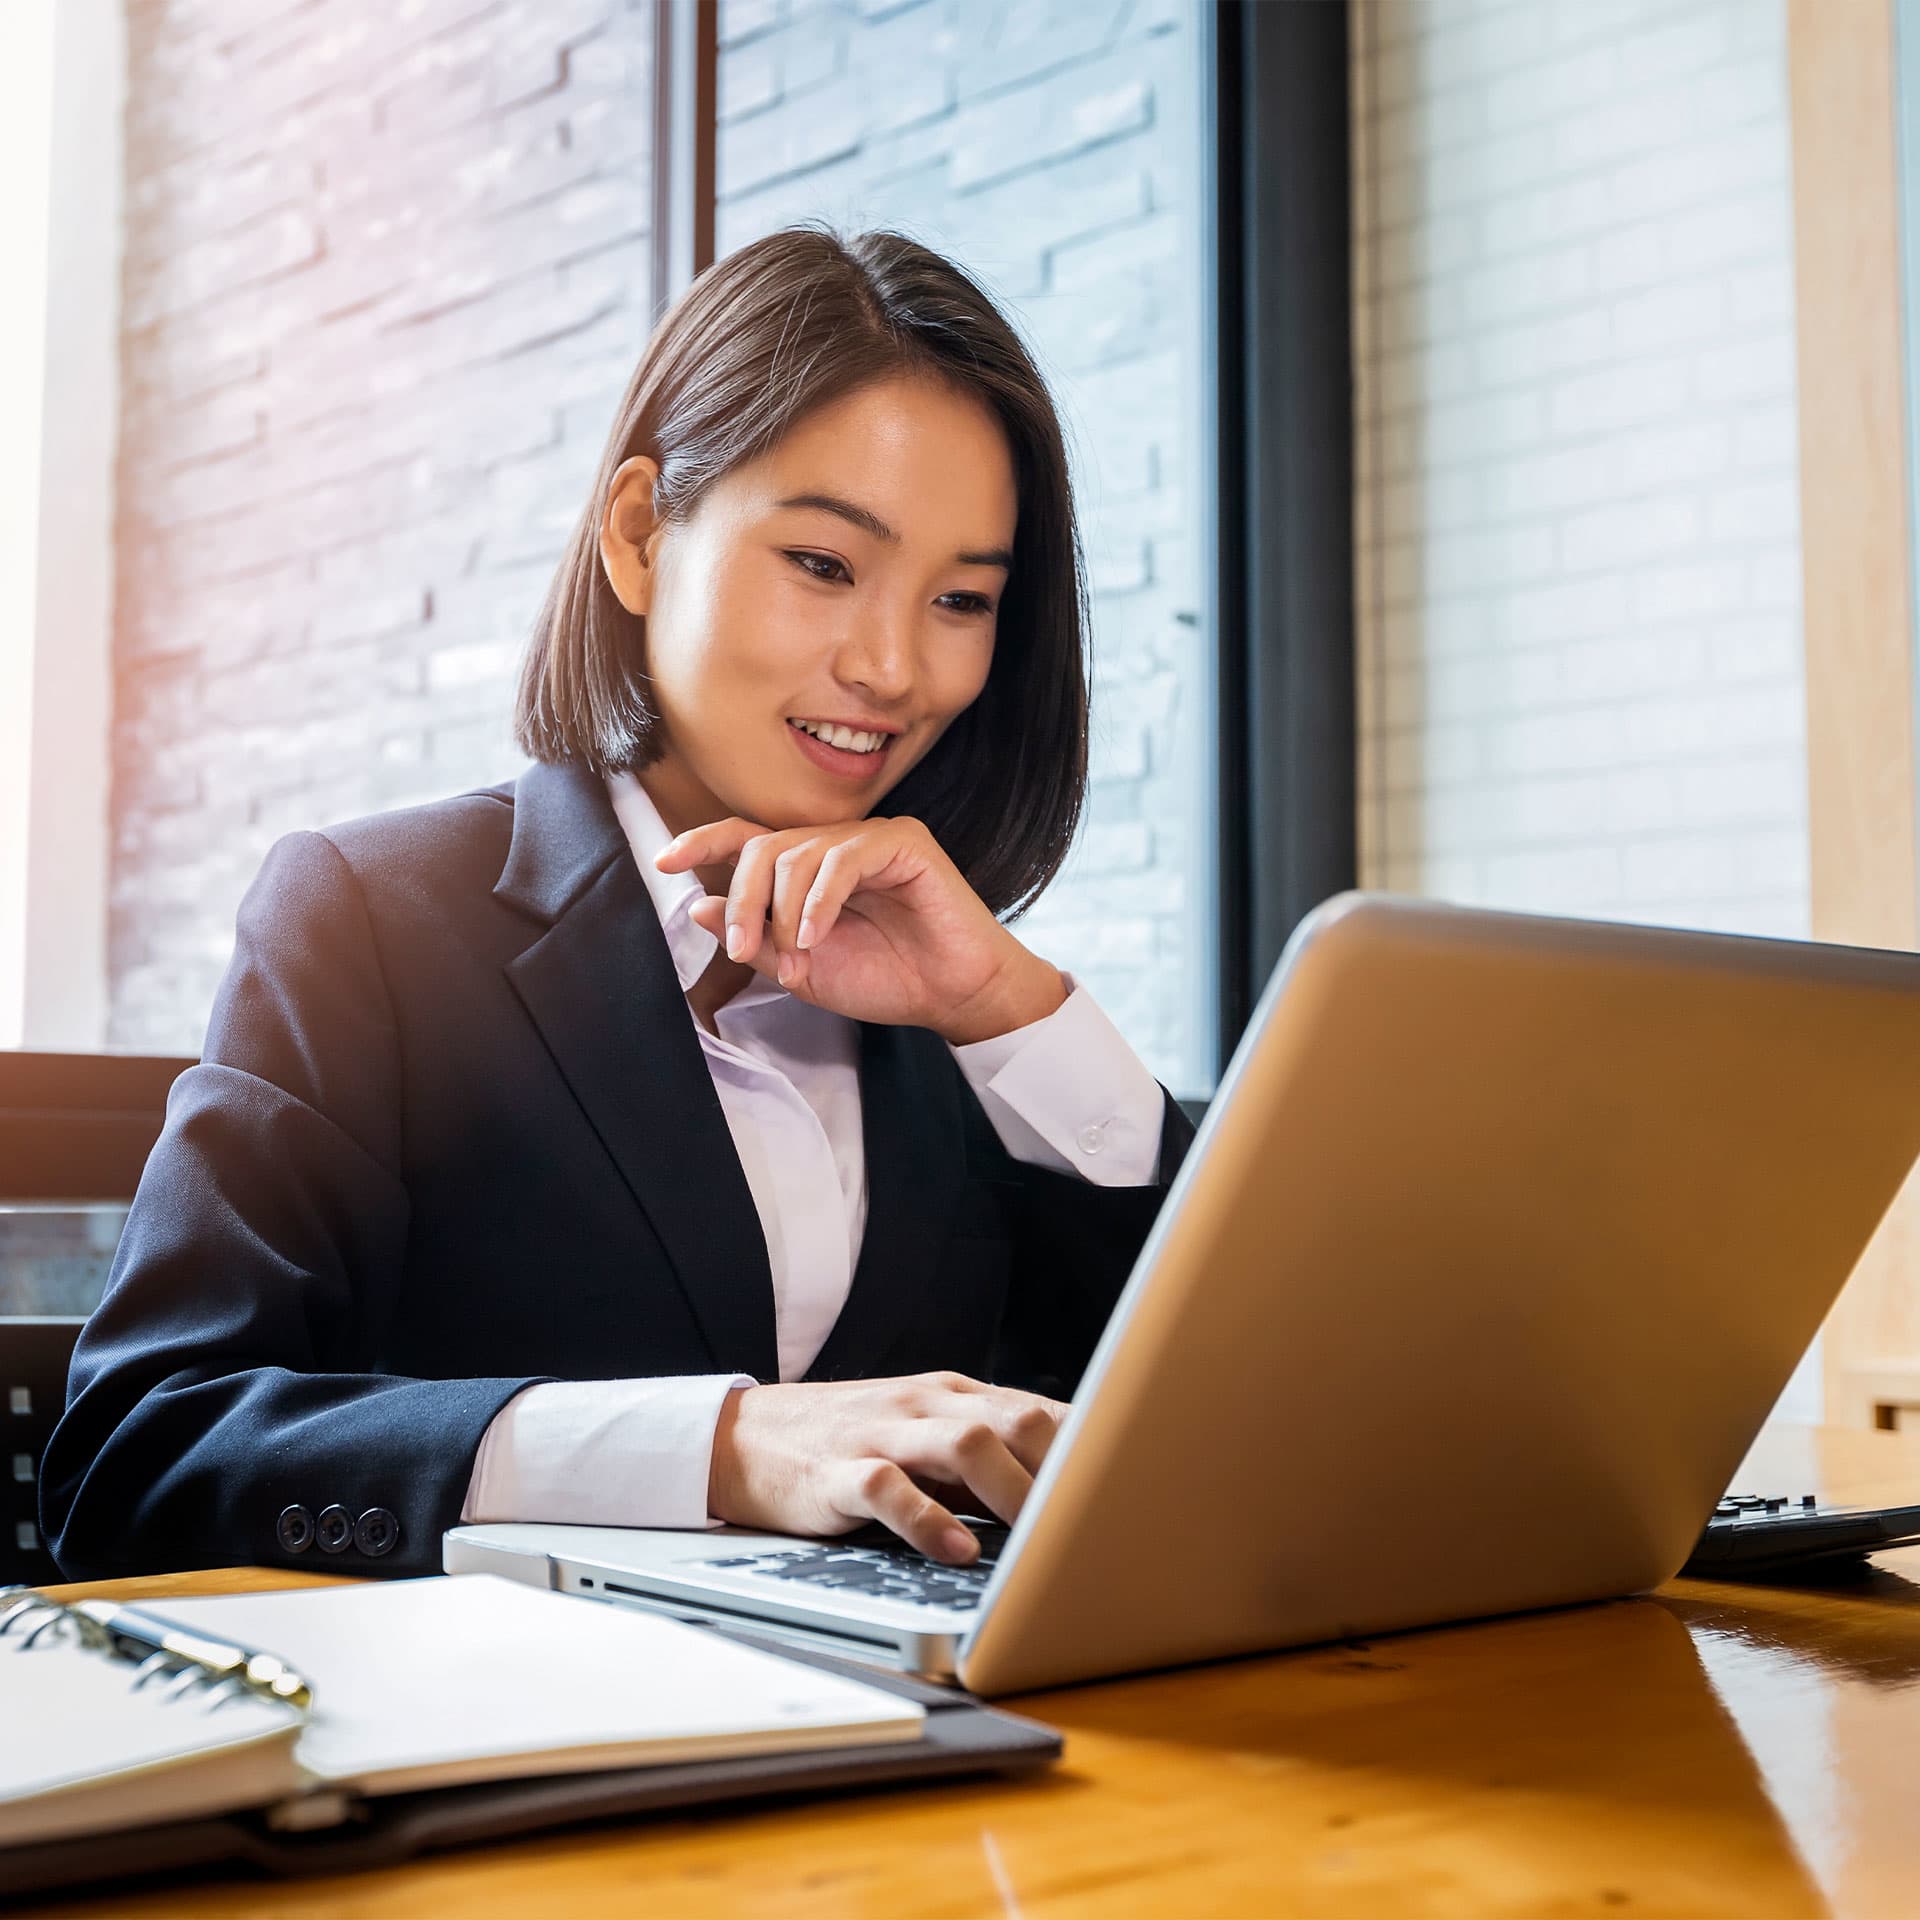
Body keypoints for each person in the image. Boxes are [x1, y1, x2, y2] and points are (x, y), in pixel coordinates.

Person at [41, 224, 1196, 1582]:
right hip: (501, 1755)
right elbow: (141, 1454)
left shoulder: (966, 1021)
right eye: (823, 564)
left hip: (912, 1751)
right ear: (642, 538)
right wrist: (720, 1449)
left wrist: (1008, 1010)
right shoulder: (374, 920)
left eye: (959, 598)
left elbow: (1192, 1418)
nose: (891, 667)